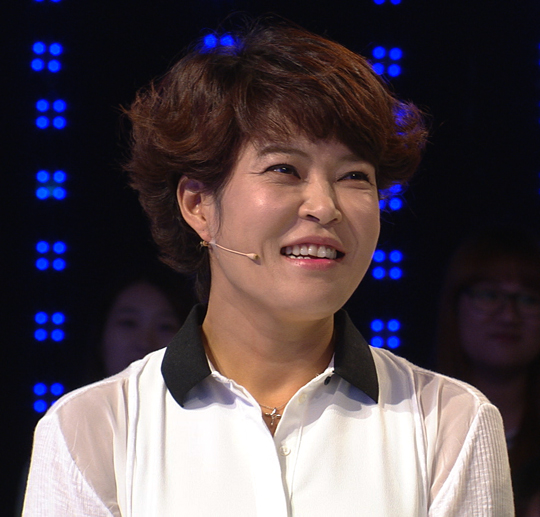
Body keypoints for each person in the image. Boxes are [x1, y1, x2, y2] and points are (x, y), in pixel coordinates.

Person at [23, 19, 513, 515]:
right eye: (284, 169)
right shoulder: (93, 429)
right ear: (198, 205)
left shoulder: (449, 421)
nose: (324, 206)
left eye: (353, 176)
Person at [435, 227, 540, 517]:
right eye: (489, 295)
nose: (508, 316)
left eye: (529, 299)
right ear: (456, 306)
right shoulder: (416, 421)